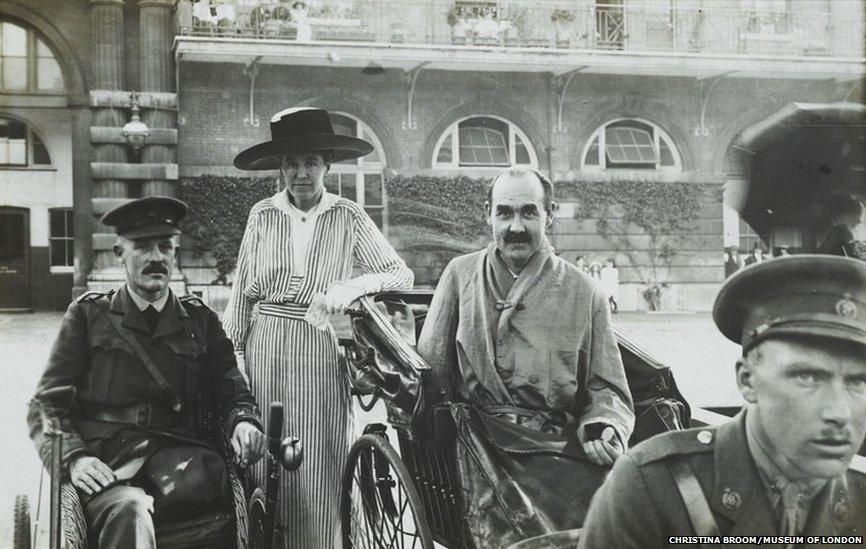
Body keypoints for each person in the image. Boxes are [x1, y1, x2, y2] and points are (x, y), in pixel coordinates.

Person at [579, 255, 866, 548]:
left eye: (859, 381)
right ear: (747, 380)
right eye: (807, 377)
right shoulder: (651, 489)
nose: (839, 412)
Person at [223, 107, 413, 547]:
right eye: (290, 162)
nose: (300, 172)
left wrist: (351, 288)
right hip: (265, 348)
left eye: (310, 161)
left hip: (321, 352)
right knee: (266, 458)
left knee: (320, 461)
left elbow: (398, 274)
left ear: (327, 164)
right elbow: (242, 295)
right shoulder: (261, 215)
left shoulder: (347, 215)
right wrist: (235, 359)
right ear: (280, 168)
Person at [27, 196, 265, 548]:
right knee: (132, 509)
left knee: (222, 498)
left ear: (175, 254)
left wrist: (244, 421)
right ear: (119, 253)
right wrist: (75, 459)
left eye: (165, 247)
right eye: (142, 246)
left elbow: (231, 387)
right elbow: (45, 406)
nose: (156, 257)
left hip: (182, 468)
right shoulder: (89, 317)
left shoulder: (201, 321)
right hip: (109, 469)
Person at [418, 167, 634, 464]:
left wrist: (604, 425)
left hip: (556, 451)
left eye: (529, 213)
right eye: (504, 213)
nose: (516, 227)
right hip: (478, 448)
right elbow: (432, 373)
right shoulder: (460, 275)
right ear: (488, 214)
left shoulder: (586, 292)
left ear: (550, 214)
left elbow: (607, 390)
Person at [818, 194, 866, 261]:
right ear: (845, 215)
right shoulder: (840, 232)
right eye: (856, 213)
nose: (860, 221)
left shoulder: (843, 232)